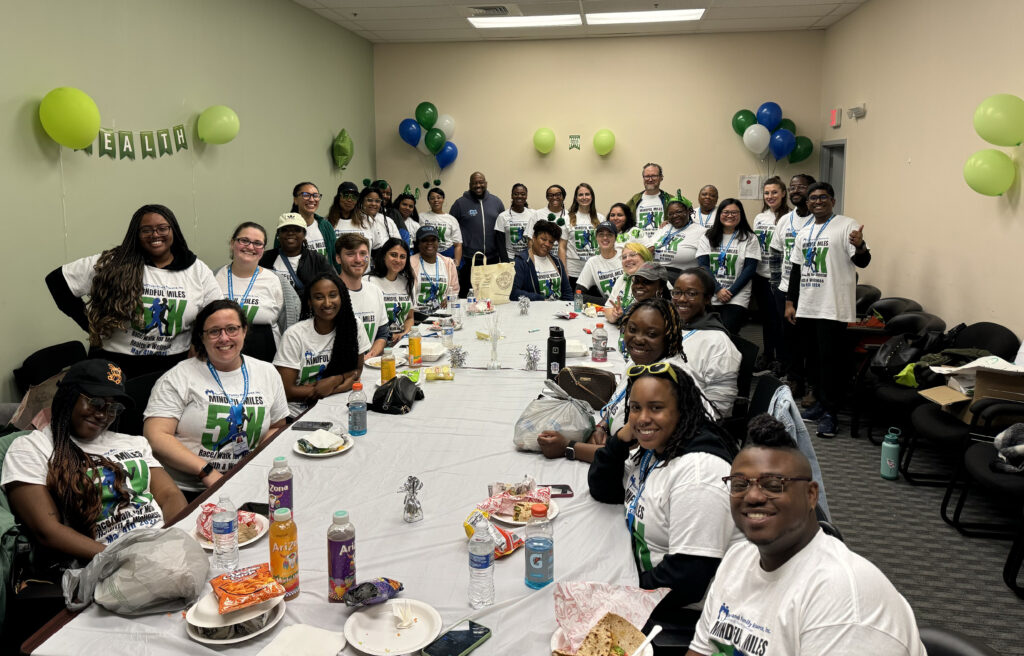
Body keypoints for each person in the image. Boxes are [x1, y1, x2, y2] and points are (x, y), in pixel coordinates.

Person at [687, 415, 926, 656]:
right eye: (740, 485)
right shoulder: (737, 558)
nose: (753, 496)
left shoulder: (842, 598)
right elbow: (702, 650)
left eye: (773, 484)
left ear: (811, 495)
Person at [589, 361, 742, 626]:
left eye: (656, 408)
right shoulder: (656, 449)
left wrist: (621, 594)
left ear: (682, 410)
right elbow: (604, 489)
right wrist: (621, 440)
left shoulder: (698, 475)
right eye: (636, 407)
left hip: (683, 614)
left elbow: (686, 581)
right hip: (642, 578)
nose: (643, 418)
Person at [2, 359, 187, 561]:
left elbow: (169, 494)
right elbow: (47, 530)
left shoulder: (134, 442)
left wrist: (173, 539)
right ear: (68, 397)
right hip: (106, 560)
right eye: (96, 402)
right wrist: (122, 557)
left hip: (163, 545)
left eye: (113, 408)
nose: (103, 415)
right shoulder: (32, 448)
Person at [45, 204, 222, 380]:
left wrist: (199, 343)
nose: (155, 234)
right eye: (146, 230)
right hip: (116, 364)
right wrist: (89, 325)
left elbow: (218, 313)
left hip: (173, 366)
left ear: (173, 230)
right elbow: (57, 281)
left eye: (162, 228)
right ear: (136, 234)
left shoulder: (196, 270)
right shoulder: (115, 263)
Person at [144, 300, 289, 491]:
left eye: (232, 329)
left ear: (244, 331)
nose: (224, 338)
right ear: (202, 337)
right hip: (190, 488)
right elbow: (156, 436)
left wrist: (253, 463)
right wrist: (207, 472)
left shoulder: (267, 372)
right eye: (214, 332)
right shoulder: (178, 377)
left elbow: (277, 426)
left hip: (245, 481)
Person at [538, 298, 685, 464]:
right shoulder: (639, 362)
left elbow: (632, 455)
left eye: (651, 334)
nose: (638, 339)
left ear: (669, 336)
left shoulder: (663, 383)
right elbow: (617, 402)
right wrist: (602, 426)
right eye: (632, 329)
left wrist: (568, 447)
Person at [785, 182, 870, 438]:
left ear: (832, 201)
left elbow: (862, 261)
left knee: (831, 362)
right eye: (813, 198)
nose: (817, 201)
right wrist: (790, 302)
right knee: (813, 360)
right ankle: (821, 404)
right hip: (808, 305)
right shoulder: (804, 231)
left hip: (833, 306)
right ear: (807, 203)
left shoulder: (846, 225)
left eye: (823, 197)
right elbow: (797, 270)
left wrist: (861, 245)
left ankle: (831, 413)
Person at [274, 274, 369, 417]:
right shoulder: (294, 335)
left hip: (337, 408)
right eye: (319, 297)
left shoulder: (353, 326)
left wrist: (335, 381)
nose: (327, 303)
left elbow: (357, 370)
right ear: (309, 302)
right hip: (298, 414)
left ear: (342, 297)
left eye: (333, 295)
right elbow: (286, 392)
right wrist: (336, 386)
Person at [215, 221, 299, 362]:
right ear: (232, 243)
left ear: (263, 249)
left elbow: (289, 328)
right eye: (244, 240)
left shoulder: (278, 282)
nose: (250, 247)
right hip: (221, 358)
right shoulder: (214, 278)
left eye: (257, 243)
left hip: (266, 360)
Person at [672, 268, 742, 419]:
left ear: (707, 299)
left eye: (691, 294)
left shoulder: (718, 342)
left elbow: (719, 408)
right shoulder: (672, 328)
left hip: (692, 423)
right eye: (677, 292)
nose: (682, 299)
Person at [771, 174, 816, 397]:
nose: (796, 190)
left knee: (811, 339)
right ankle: (795, 378)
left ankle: (813, 383)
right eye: (792, 187)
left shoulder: (819, 220)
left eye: (801, 187)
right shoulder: (784, 220)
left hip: (813, 289)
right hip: (786, 289)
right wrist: (776, 283)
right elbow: (775, 252)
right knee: (790, 338)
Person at [696, 199, 761, 335]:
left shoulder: (749, 238)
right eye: (726, 212)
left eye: (734, 212)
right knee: (708, 332)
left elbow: (750, 269)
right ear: (719, 214)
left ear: (741, 214)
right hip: (711, 292)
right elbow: (703, 266)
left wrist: (730, 292)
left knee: (727, 331)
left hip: (737, 295)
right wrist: (718, 289)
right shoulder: (707, 237)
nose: (730, 215)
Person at [259, 212, 335, 316]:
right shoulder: (265, 259)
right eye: (285, 230)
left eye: (297, 230)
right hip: (273, 315)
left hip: (307, 317)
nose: (290, 233)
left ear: (304, 235)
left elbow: (332, 287)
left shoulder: (317, 260)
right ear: (278, 235)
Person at [751, 177, 791, 373]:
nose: (770, 196)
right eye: (767, 193)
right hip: (760, 274)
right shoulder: (760, 217)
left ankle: (782, 359)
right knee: (767, 319)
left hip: (780, 276)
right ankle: (768, 354)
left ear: (783, 193)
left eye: (774, 192)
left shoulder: (789, 217)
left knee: (780, 320)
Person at [450, 172, 506, 296]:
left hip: (492, 259)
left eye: (481, 182)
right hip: (469, 260)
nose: (478, 185)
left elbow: (502, 229)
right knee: (468, 296)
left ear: (486, 183)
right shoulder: (460, 204)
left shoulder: (496, 202)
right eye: (475, 183)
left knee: (492, 296)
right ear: (470, 185)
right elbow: (451, 229)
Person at [336, 233, 388, 357]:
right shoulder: (330, 294)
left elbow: (382, 334)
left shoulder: (375, 291)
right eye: (350, 254)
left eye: (363, 253)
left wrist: (369, 357)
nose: (358, 259)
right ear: (338, 258)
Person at [511, 219, 572, 302]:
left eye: (551, 242)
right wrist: (540, 299)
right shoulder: (521, 261)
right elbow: (513, 292)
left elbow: (567, 292)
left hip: (559, 308)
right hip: (534, 308)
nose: (547, 244)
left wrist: (569, 307)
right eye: (543, 239)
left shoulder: (557, 262)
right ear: (534, 237)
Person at [645, 192, 704, 277]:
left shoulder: (701, 232)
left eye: (679, 212)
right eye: (671, 214)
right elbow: (648, 247)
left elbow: (705, 264)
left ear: (688, 211)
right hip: (654, 272)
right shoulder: (664, 227)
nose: (675, 216)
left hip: (681, 276)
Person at [369, 238, 415, 345]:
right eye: (393, 255)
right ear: (384, 256)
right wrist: (388, 336)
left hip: (400, 342)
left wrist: (404, 334)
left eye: (402, 257)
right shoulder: (369, 281)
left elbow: (410, 318)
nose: (398, 260)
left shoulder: (407, 282)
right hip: (377, 344)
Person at [560, 183, 605, 284]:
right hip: (573, 271)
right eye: (581, 195)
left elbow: (604, 245)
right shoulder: (567, 219)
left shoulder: (601, 218)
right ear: (576, 198)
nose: (584, 197)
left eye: (587, 194)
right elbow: (562, 246)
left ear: (592, 197)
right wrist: (564, 270)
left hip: (594, 270)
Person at [409, 225, 460, 314]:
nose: (429, 243)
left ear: (438, 242)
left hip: (442, 315)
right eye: (425, 240)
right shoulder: (410, 263)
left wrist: (449, 300)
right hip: (417, 316)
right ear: (418, 244)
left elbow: (454, 291)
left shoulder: (449, 263)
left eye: (433, 240)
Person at [286, 181, 337, 267]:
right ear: (295, 200)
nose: (312, 199)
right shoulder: (285, 229)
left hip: (325, 275)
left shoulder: (325, 226)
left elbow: (335, 258)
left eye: (315, 195)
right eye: (306, 195)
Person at [604, 242, 654, 324]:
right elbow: (607, 308)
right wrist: (614, 315)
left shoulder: (655, 280)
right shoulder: (622, 278)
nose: (627, 259)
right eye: (624, 257)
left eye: (632, 255)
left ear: (645, 257)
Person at [574, 221, 622, 304]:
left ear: (615, 237)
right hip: (610, 308)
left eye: (609, 234)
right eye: (601, 234)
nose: (605, 238)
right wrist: (610, 303)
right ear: (596, 238)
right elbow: (578, 295)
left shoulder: (624, 255)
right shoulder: (592, 262)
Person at [627, 163, 674, 239]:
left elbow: (685, 220)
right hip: (638, 244)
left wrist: (671, 222)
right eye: (647, 176)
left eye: (654, 176)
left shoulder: (670, 200)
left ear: (661, 178)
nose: (650, 179)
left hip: (662, 243)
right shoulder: (634, 200)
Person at [418, 187, 463, 263]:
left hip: (447, 255)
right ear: (428, 201)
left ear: (443, 199)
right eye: (432, 198)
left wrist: (457, 264)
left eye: (439, 198)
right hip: (427, 254)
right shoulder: (421, 217)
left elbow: (458, 244)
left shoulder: (451, 219)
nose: (436, 200)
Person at [359, 186, 402, 260]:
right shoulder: (356, 219)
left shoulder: (388, 221)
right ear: (362, 201)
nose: (373, 204)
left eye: (377, 201)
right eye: (369, 200)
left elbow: (398, 244)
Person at [494, 183, 534, 261]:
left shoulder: (533, 214)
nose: (519, 196)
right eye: (516, 194)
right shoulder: (502, 216)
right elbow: (500, 243)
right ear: (512, 196)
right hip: (510, 258)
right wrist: (505, 261)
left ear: (526, 196)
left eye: (523, 194)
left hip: (528, 258)